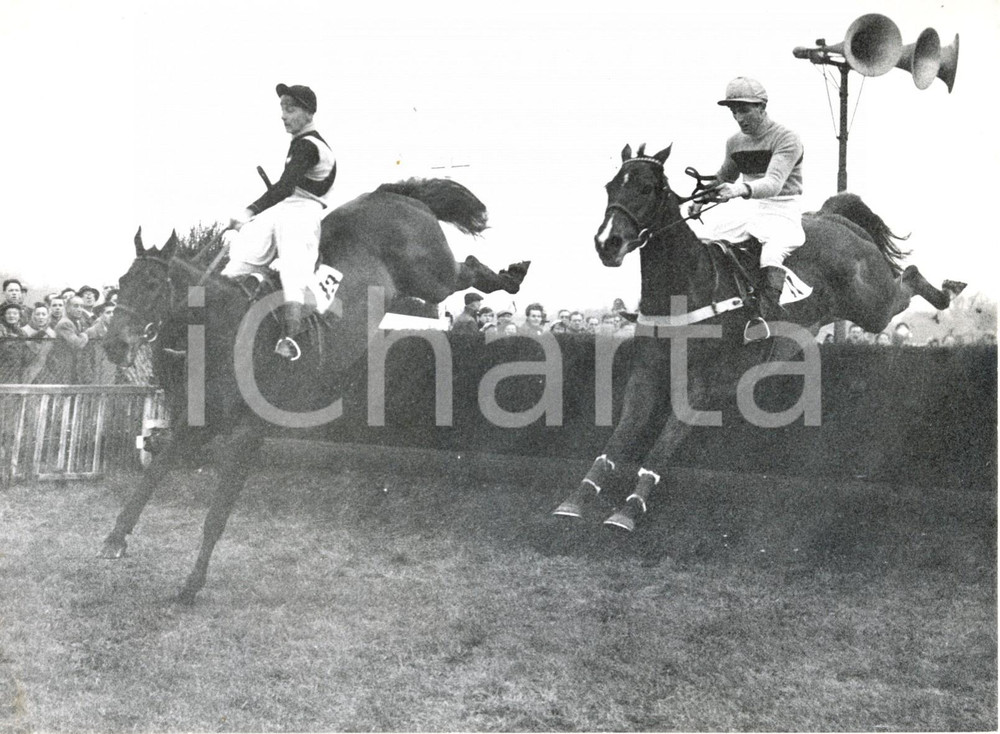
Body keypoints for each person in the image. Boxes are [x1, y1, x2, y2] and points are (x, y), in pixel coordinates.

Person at [221, 83, 337, 359]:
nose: (283, 116)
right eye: (282, 109)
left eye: (291, 109)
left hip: (304, 212)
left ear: (308, 113)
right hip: (284, 209)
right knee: (240, 259)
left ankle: (290, 339)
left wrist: (249, 211)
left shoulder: (310, 146)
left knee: (293, 273)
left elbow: (284, 187)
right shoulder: (298, 144)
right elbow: (284, 192)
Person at [689, 77, 805, 335]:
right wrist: (700, 198)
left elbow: (773, 183)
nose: (739, 117)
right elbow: (724, 178)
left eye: (744, 110)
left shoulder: (787, 138)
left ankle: (765, 318)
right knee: (705, 240)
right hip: (750, 209)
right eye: (734, 111)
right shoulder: (734, 142)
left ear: (762, 107)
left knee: (772, 253)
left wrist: (739, 190)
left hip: (782, 208)